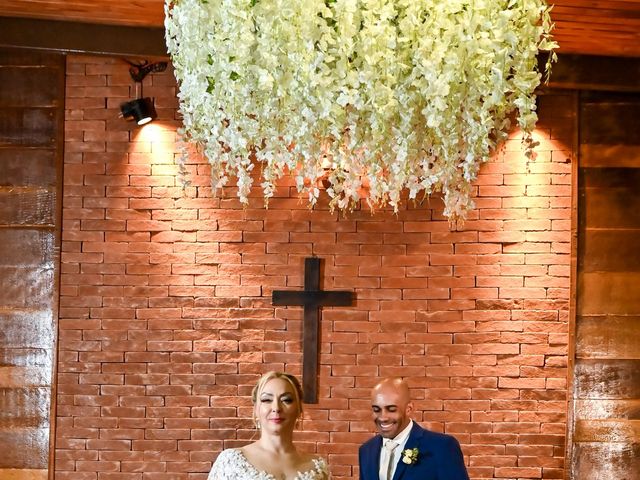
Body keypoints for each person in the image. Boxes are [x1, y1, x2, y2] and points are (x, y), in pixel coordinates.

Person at [208, 371, 329, 480]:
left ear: (299, 409)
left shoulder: (317, 466)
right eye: (267, 400)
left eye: (286, 400)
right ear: (256, 410)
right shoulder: (231, 462)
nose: (276, 408)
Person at [358, 377, 469, 480]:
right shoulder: (366, 450)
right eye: (377, 410)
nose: (383, 418)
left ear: (409, 409)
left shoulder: (442, 447)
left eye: (391, 409)